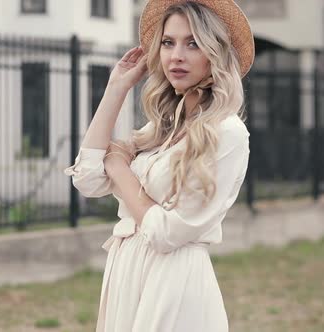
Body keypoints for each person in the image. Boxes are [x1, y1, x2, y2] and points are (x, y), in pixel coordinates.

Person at [64, 0, 255, 330]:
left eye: (192, 43)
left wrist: (121, 169)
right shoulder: (160, 129)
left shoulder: (227, 133)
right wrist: (117, 87)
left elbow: (167, 233)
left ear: (216, 53)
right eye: (168, 42)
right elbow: (88, 178)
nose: (176, 55)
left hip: (173, 281)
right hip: (127, 271)